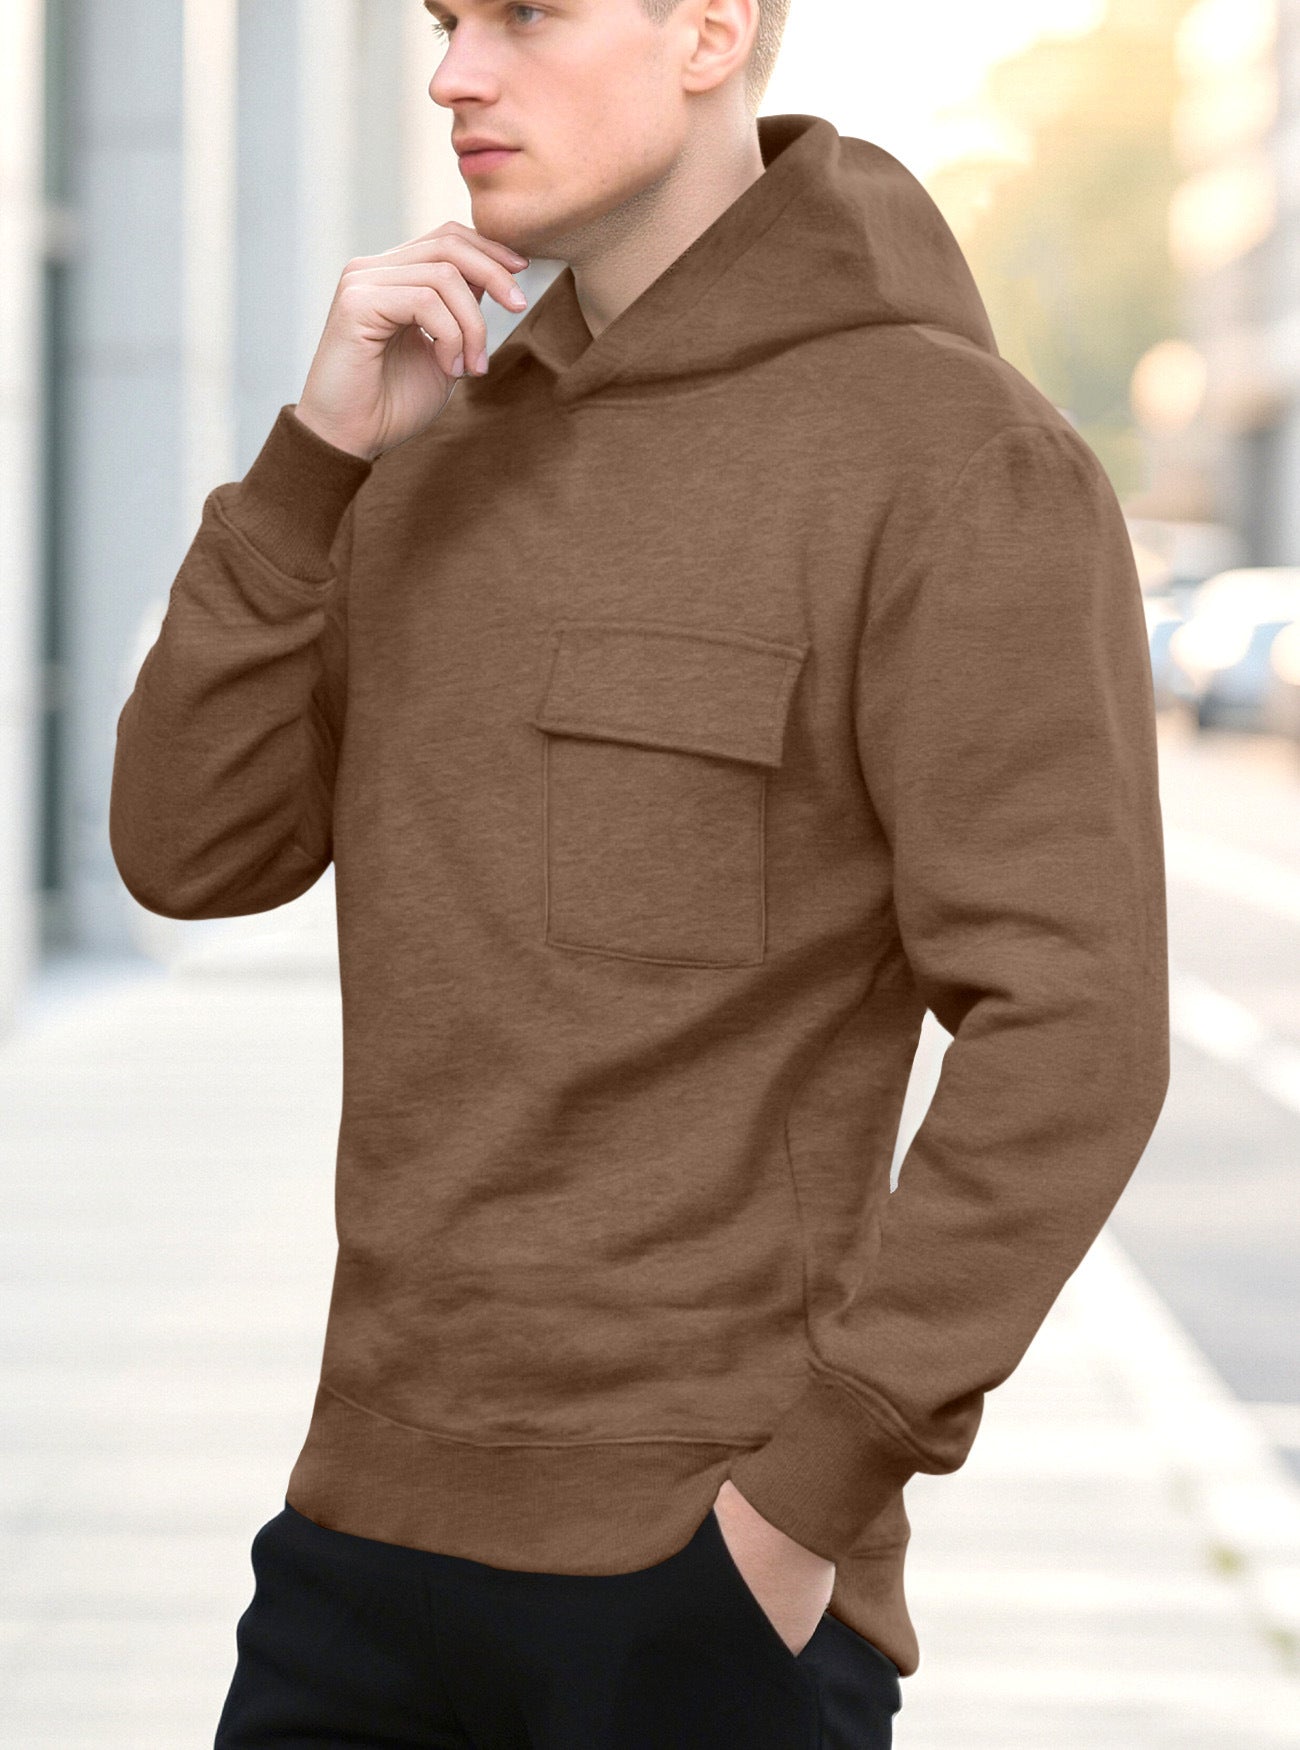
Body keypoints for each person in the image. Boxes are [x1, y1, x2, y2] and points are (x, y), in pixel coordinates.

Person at [108, 0, 1171, 1744]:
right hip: (353, 1545)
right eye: (445, 22)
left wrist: (807, 1492)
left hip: (692, 1586)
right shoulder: (423, 438)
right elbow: (184, 849)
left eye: (526, 15)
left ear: (709, 31)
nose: (456, 72)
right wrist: (310, 469)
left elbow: (1077, 1027)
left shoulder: (955, 460)